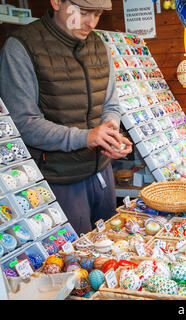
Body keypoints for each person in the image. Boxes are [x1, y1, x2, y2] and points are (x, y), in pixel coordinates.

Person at [0, 0, 133, 234]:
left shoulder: (98, 45)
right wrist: (87, 137)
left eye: (98, 14)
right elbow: (23, 123)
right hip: (57, 180)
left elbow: (110, 103)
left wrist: (111, 131)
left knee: (111, 248)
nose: (91, 23)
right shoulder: (22, 47)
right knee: (71, 261)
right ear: (57, 2)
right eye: (83, 12)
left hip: (102, 172)